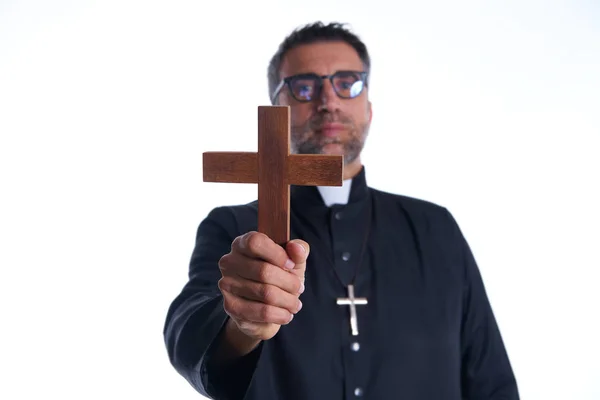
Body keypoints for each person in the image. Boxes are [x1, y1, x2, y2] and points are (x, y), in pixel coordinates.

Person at [163, 21, 520, 400]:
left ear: (369, 107)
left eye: (347, 83)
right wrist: (242, 325)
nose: (328, 101)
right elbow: (187, 336)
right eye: (304, 87)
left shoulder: (436, 229)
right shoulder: (235, 228)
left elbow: (490, 379)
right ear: (277, 109)